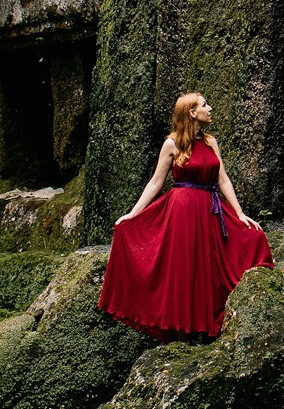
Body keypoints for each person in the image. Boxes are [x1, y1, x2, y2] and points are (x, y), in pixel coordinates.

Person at [99, 92, 272, 339]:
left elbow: (223, 180)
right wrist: (133, 214)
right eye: (204, 105)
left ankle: (207, 323)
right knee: (185, 266)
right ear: (192, 113)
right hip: (181, 212)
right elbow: (155, 183)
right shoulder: (171, 144)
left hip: (210, 209)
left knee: (250, 239)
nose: (210, 108)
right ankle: (182, 329)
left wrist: (240, 213)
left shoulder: (211, 142)